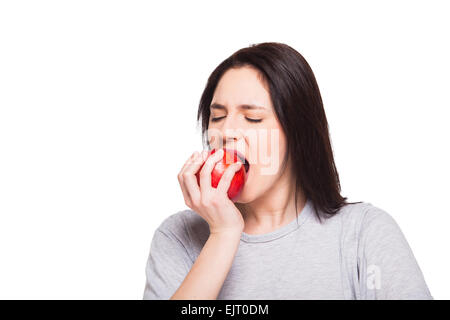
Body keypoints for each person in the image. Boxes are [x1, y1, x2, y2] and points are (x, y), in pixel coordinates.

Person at [143, 42, 433, 300]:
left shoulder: (363, 232)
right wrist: (223, 234)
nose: (226, 131)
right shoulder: (178, 237)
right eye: (217, 116)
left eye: (252, 118)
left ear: (298, 133)